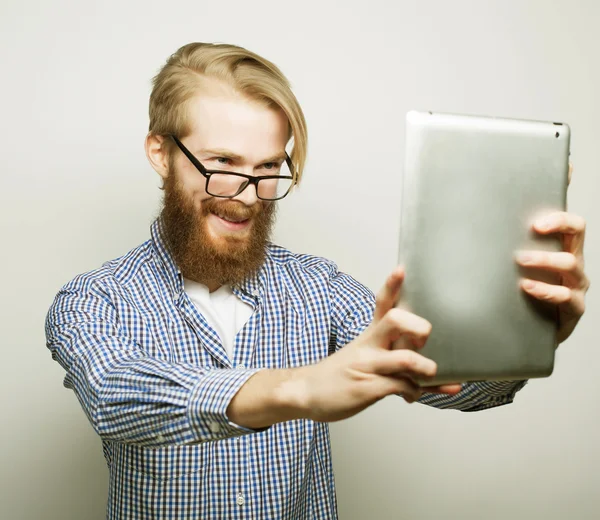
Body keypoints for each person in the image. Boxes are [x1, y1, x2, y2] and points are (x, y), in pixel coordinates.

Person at [45, 42, 590, 520]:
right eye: (222, 162)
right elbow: (114, 393)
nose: (247, 192)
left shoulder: (317, 288)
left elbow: (454, 386)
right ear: (161, 155)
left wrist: (523, 329)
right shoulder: (94, 299)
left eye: (266, 168)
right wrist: (300, 388)